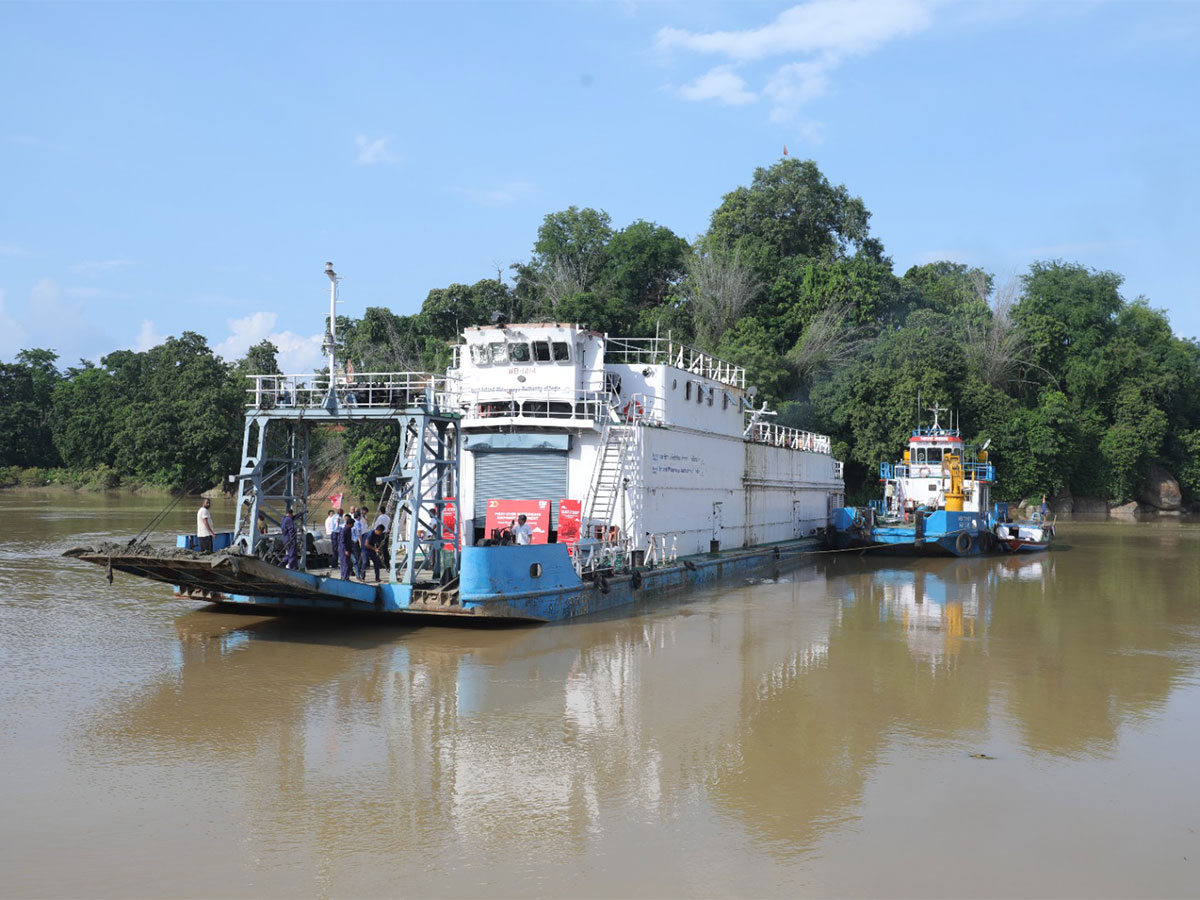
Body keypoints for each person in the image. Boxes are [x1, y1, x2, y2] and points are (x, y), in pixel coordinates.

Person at [340, 513, 356, 579]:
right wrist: (345, 550)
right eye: (352, 524)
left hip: (348, 548)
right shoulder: (344, 530)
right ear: (349, 524)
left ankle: (346, 577)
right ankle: (344, 577)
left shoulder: (349, 529)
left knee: (349, 564)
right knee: (345, 564)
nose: (353, 525)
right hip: (343, 549)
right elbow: (342, 541)